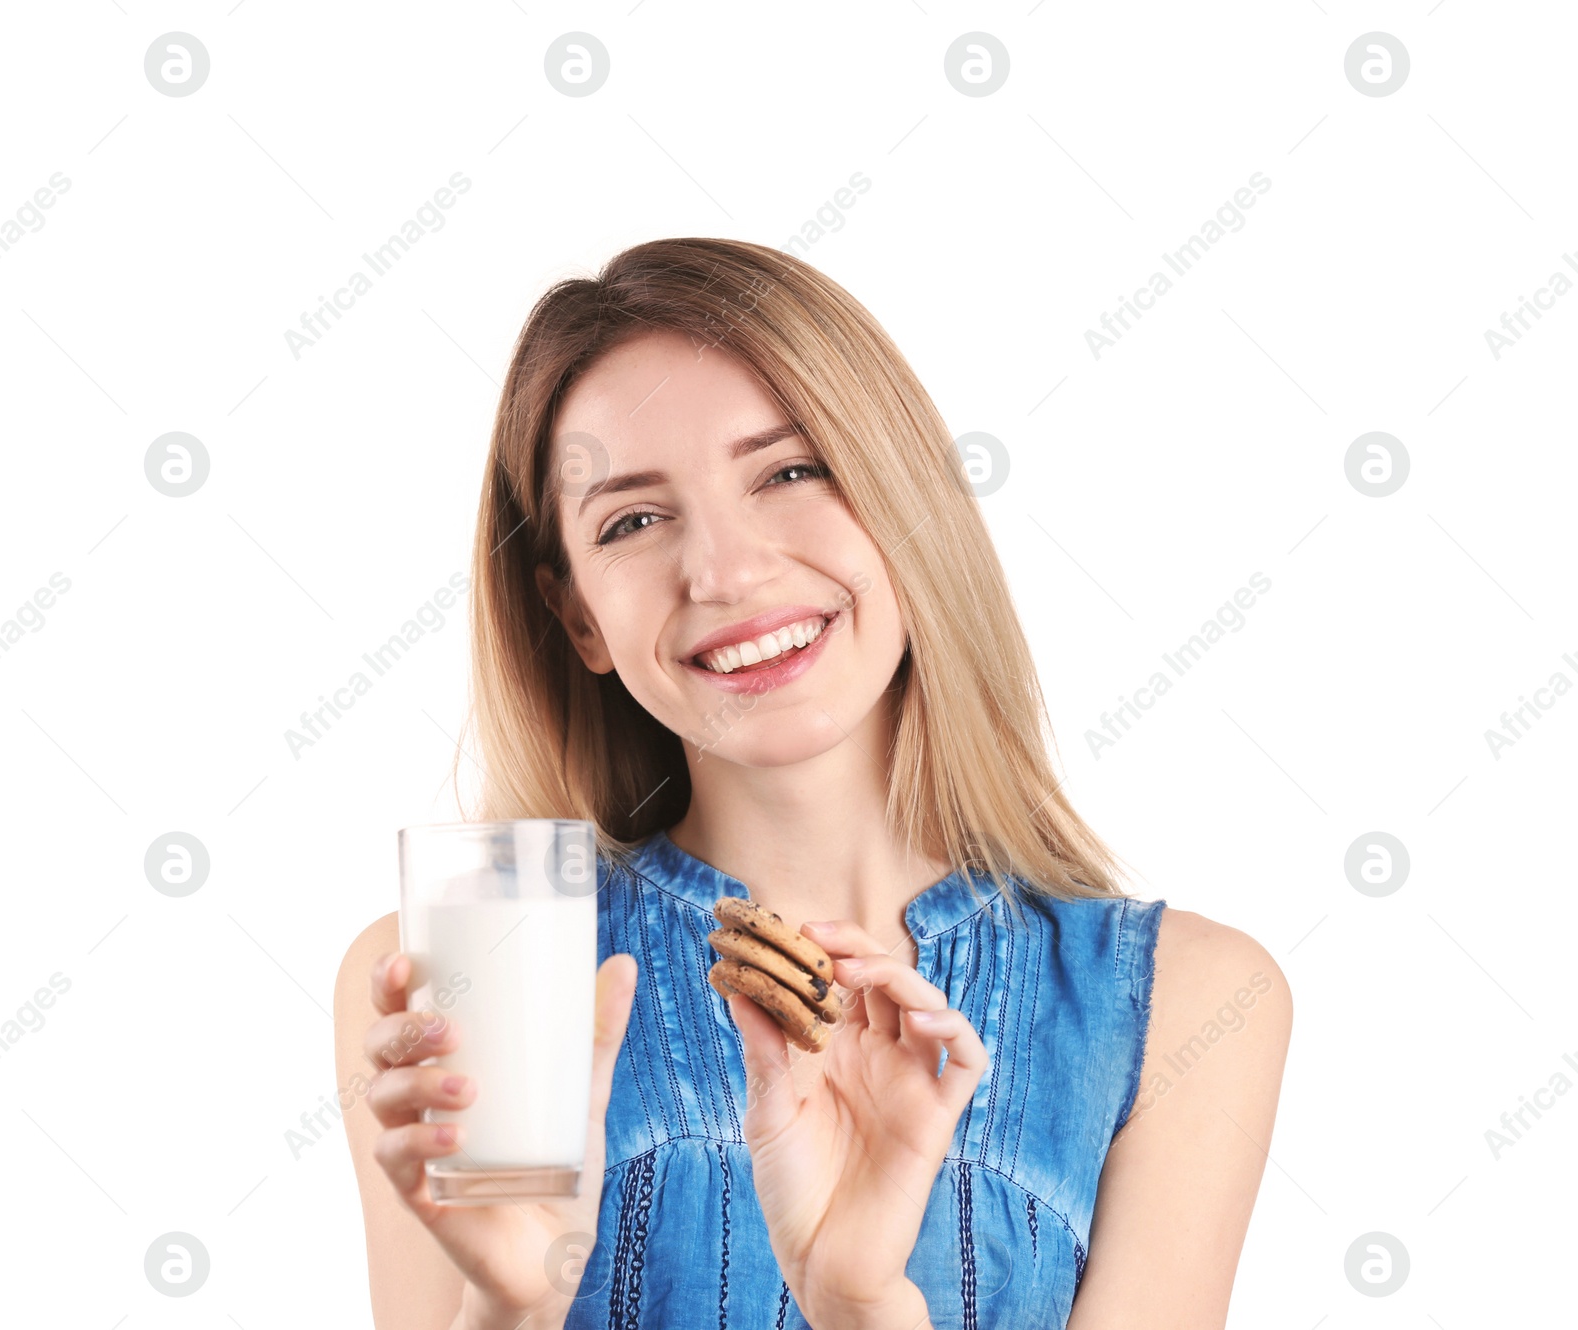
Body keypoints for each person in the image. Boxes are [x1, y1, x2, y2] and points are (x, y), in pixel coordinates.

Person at [333, 237, 1292, 1329]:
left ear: (904, 497)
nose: (726, 570)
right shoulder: (470, 968)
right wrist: (508, 1306)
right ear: (578, 617)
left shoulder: (1189, 1003)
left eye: (790, 470)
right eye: (633, 521)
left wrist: (860, 1300)